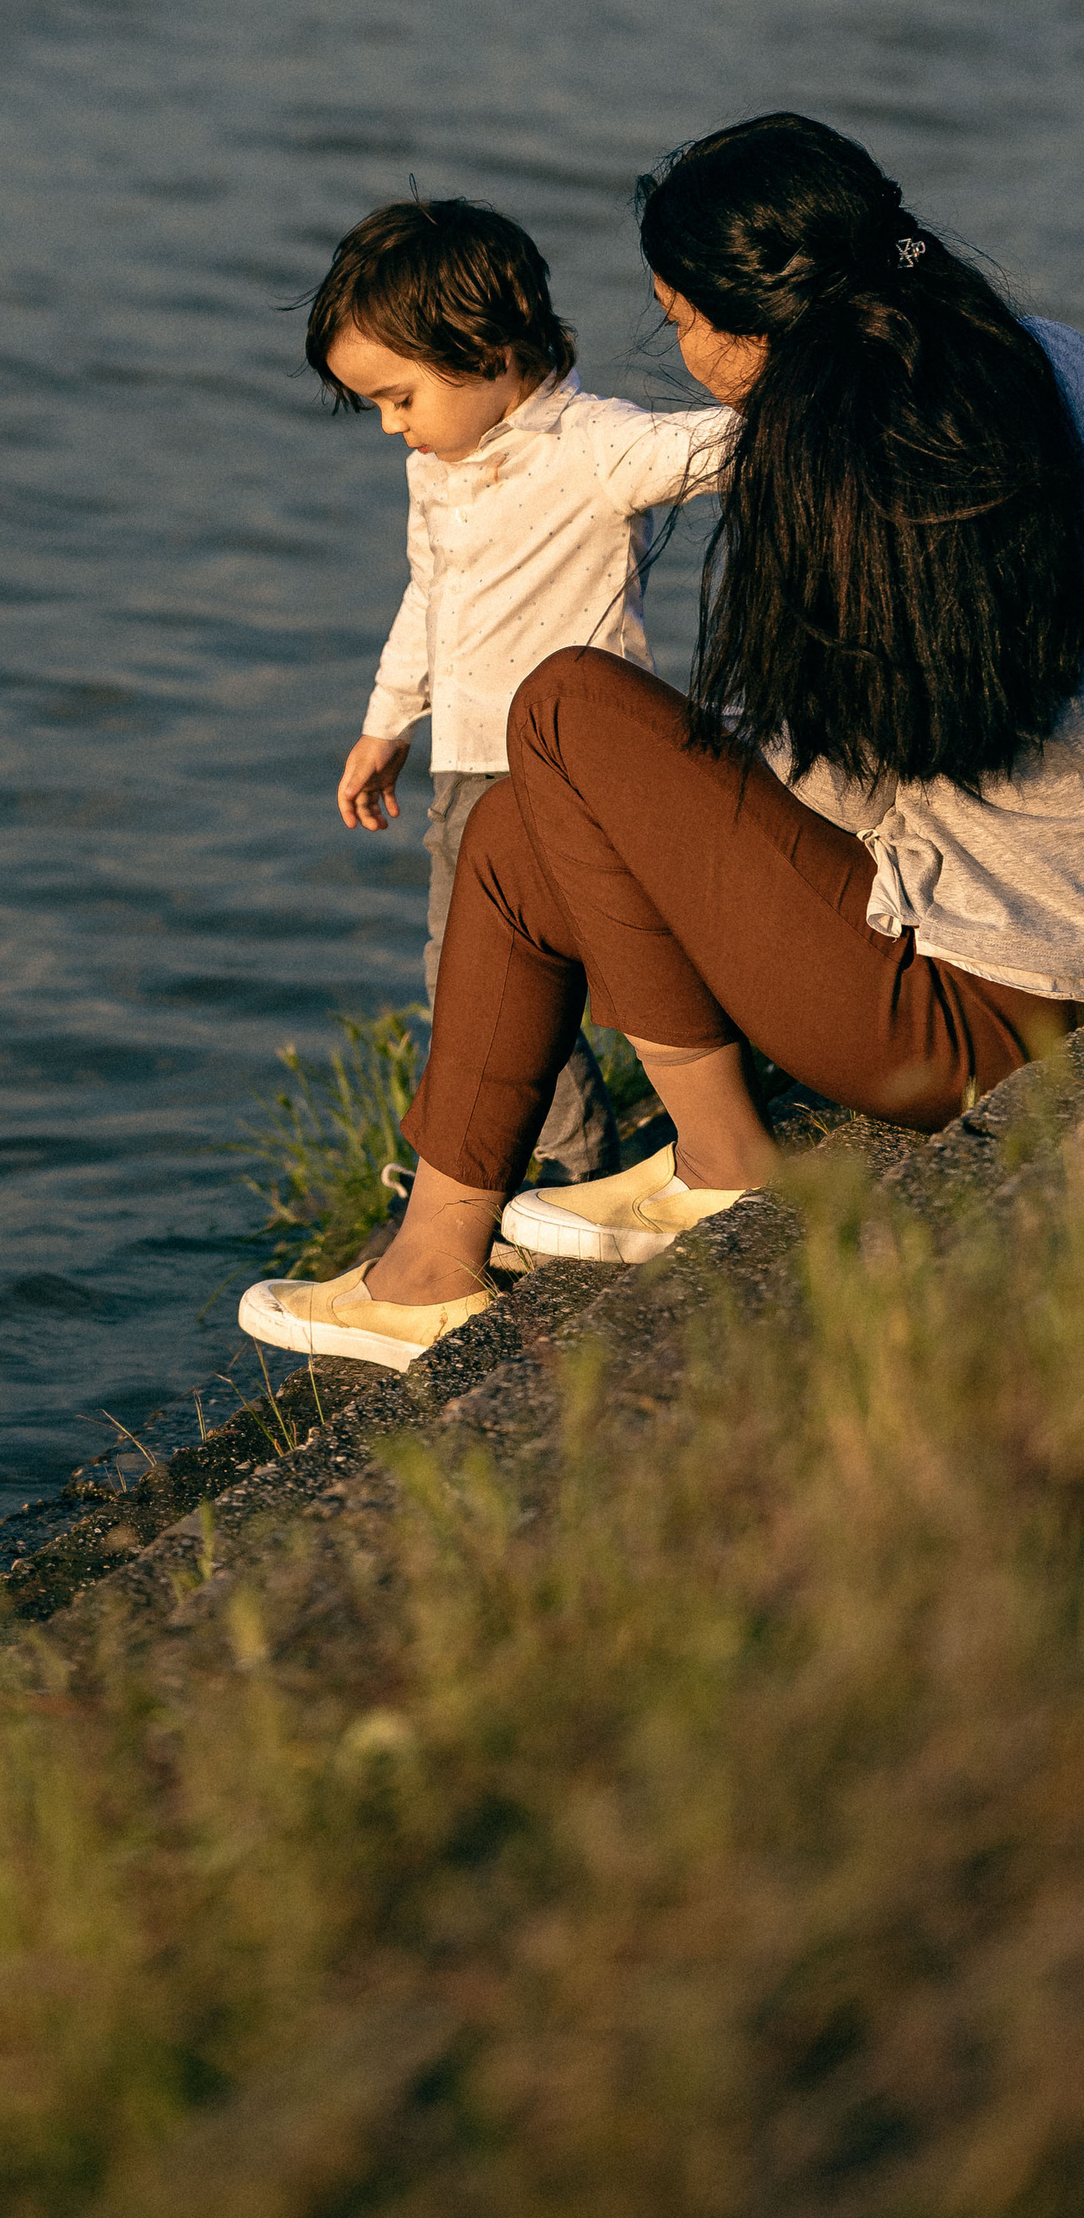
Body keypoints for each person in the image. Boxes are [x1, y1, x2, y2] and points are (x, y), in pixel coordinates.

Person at [245, 114, 1084, 1371]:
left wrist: (664, 803)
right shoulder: (1038, 359)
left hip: (972, 1013)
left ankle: (723, 1157)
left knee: (563, 706)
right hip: (1011, 949)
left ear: (756, 319)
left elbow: (869, 773)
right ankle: (429, 1265)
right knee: (522, 814)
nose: (679, 353)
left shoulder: (840, 456)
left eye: (680, 317)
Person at [308, 197, 733, 1184]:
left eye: (400, 397)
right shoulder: (439, 468)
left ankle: (685, 1145)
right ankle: (572, 1165)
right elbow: (430, 593)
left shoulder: (592, 445)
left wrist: (835, 396)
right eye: (375, 406)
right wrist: (386, 722)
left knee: (625, 967)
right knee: (474, 983)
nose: (391, 426)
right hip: (467, 770)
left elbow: (714, 446)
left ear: (489, 349)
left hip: (577, 770)